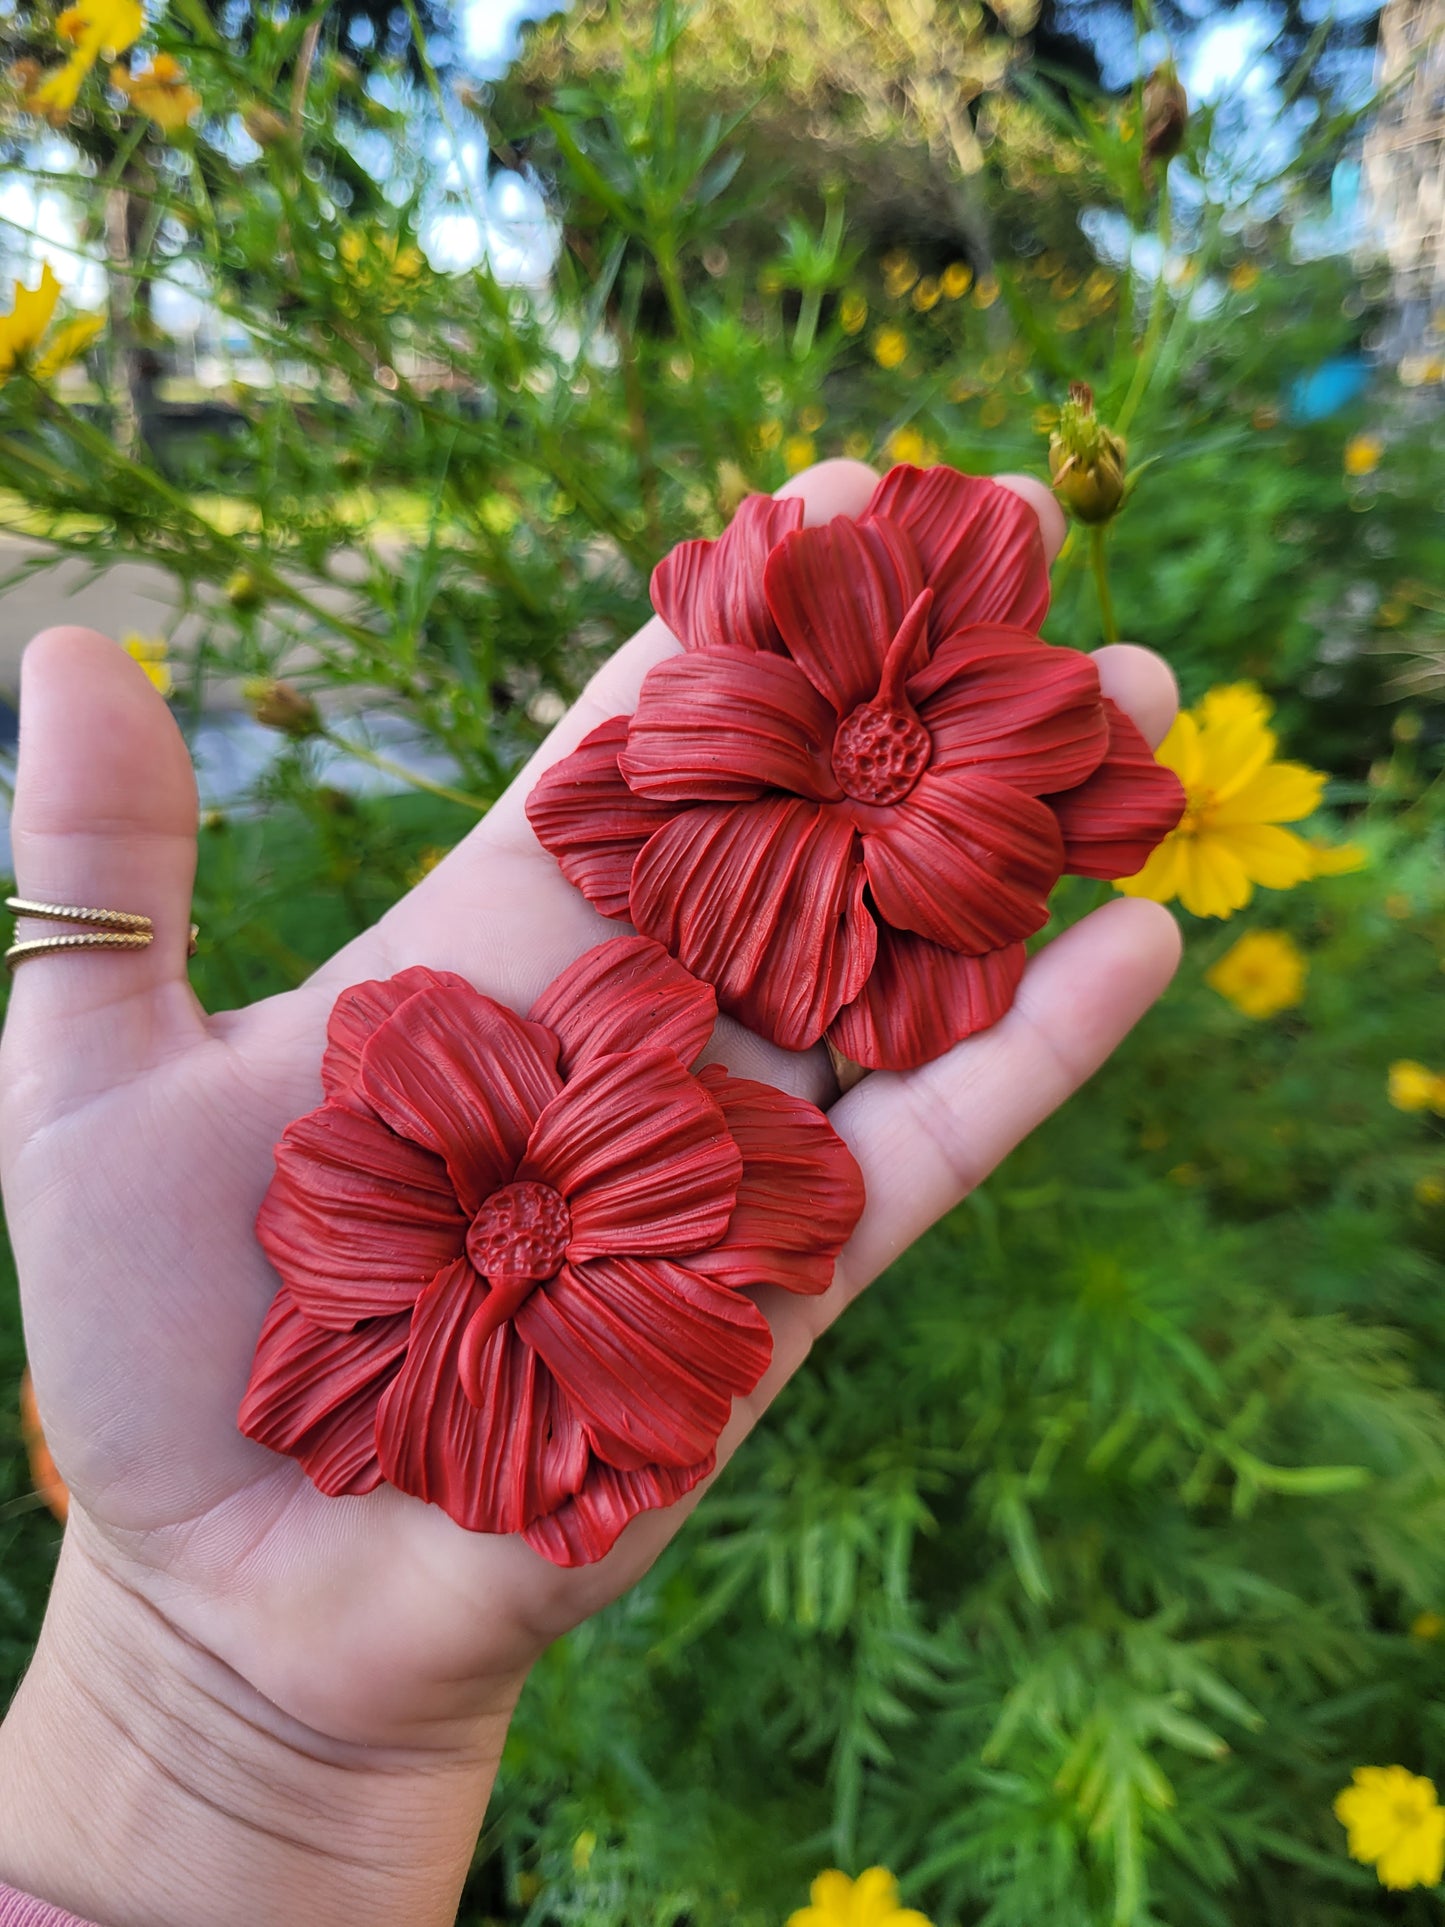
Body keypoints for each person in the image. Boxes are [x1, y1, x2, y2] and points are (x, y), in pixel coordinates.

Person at [0, 460, 1180, 1927]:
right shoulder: (446, 1212)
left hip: (648, 1085)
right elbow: (425, 1098)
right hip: (579, 1145)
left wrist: (212, 1708)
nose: (877, 746)